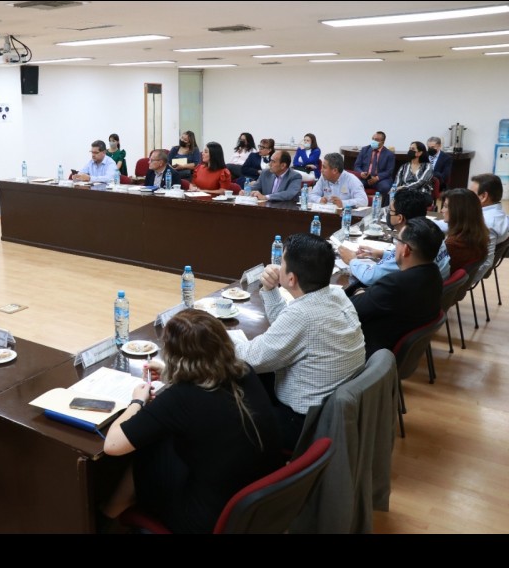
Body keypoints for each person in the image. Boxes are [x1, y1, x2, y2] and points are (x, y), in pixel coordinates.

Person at [101, 309, 283, 534]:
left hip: (208, 519)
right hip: (257, 500)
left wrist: (137, 401)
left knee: (147, 450)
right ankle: (112, 511)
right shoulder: (244, 370)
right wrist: (169, 374)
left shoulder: (181, 398)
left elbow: (113, 445)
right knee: (164, 439)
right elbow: (208, 382)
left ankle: (107, 517)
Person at [232, 233, 365, 450]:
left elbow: (250, 358)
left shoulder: (302, 316)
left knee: (232, 382)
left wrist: (222, 338)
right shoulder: (336, 295)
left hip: (303, 424)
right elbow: (288, 327)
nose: (278, 267)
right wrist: (270, 290)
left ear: (291, 279)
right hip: (330, 411)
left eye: (282, 263)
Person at [350, 217, 444, 358]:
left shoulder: (395, 284)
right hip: (396, 350)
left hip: (368, 351)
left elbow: (350, 308)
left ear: (405, 249)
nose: (395, 247)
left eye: (397, 241)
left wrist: (360, 292)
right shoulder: (434, 275)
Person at [339, 188, 450, 288]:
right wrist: (380, 253)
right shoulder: (432, 231)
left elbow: (370, 277)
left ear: (399, 218)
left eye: (390, 211)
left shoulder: (411, 243)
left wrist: (351, 260)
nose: (388, 214)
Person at [438, 188, 489, 273]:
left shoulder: (453, 245)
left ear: (458, 211)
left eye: (446, 206)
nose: (441, 210)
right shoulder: (478, 235)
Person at [353, 131, 395, 196]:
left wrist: (377, 178)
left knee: (385, 187)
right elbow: (357, 166)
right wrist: (361, 173)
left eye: (376, 140)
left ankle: (381, 202)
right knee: (355, 185)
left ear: (382, 142)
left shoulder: (389, 154)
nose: (373, 141)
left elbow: (389, 171)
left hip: (380, 179)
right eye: (373, 139)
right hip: (365, 178)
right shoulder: (365, 150)